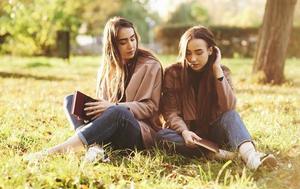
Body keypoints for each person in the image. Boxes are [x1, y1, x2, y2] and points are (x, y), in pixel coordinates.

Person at [26, 17, 162, 162]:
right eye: (123, 42)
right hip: (110, 127)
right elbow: (102, 103)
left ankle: (59, 150)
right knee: (70, 100)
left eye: (132, 39)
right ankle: (95, 147)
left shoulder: (151, 66)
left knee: (118, 112)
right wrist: (96, 108)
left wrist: (113, 106)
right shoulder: (107, 67)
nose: (131, 45)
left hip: (137, 133)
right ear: (112, 45)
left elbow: (151, 108)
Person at [156, 25, 277, 170]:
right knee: (161, 136)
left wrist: (217, 70)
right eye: (188, 53)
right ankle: (223, 155)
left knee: (231, 116)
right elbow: (171, 112)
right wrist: (184, 131)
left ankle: (251, 157)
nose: (192, 59)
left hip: (214, 131)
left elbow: (229, 107)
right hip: (184, 134)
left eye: (199, 52)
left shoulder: (222, 71)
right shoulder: (173, 73)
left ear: (210, 50)